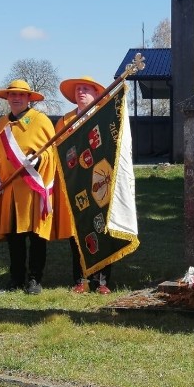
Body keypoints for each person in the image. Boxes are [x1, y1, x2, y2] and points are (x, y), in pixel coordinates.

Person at [0, 79, 59, 294]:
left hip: (33, 189)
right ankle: (16, 279)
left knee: (36, 237)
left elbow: (51, 153)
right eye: (12, 95)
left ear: (29, 98)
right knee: (14, 238)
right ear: (7, 98)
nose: (16, 98)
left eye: (21, 95)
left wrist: (39, 160)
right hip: (9, 191)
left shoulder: (41, 120)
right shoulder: (1, 124)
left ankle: (35, 279)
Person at [55, 76, 111, 294]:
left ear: (96, 94)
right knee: (77, 234)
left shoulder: (104, 117)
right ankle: (81, 279)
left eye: (86, 89)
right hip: (74, 183)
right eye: (78, 89)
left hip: (99, 181)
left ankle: (102, 282)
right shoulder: (64, 121)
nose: (81, 92)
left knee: (101, 229)